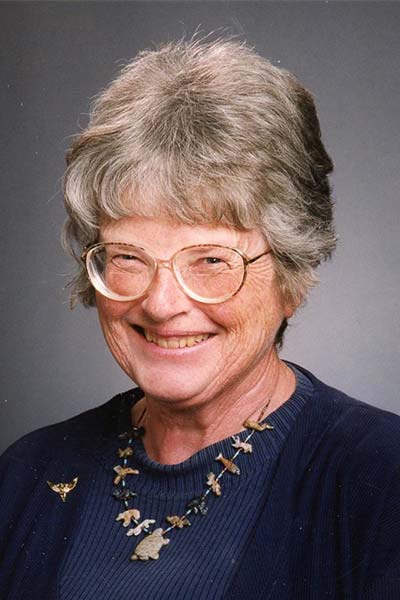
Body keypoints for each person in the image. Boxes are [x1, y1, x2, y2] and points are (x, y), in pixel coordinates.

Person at [0, 38, 399, 599]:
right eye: (129, 257)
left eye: (211, 261)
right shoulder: (25, 474)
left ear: (290, 275)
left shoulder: (381, 480)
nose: (162, 304)